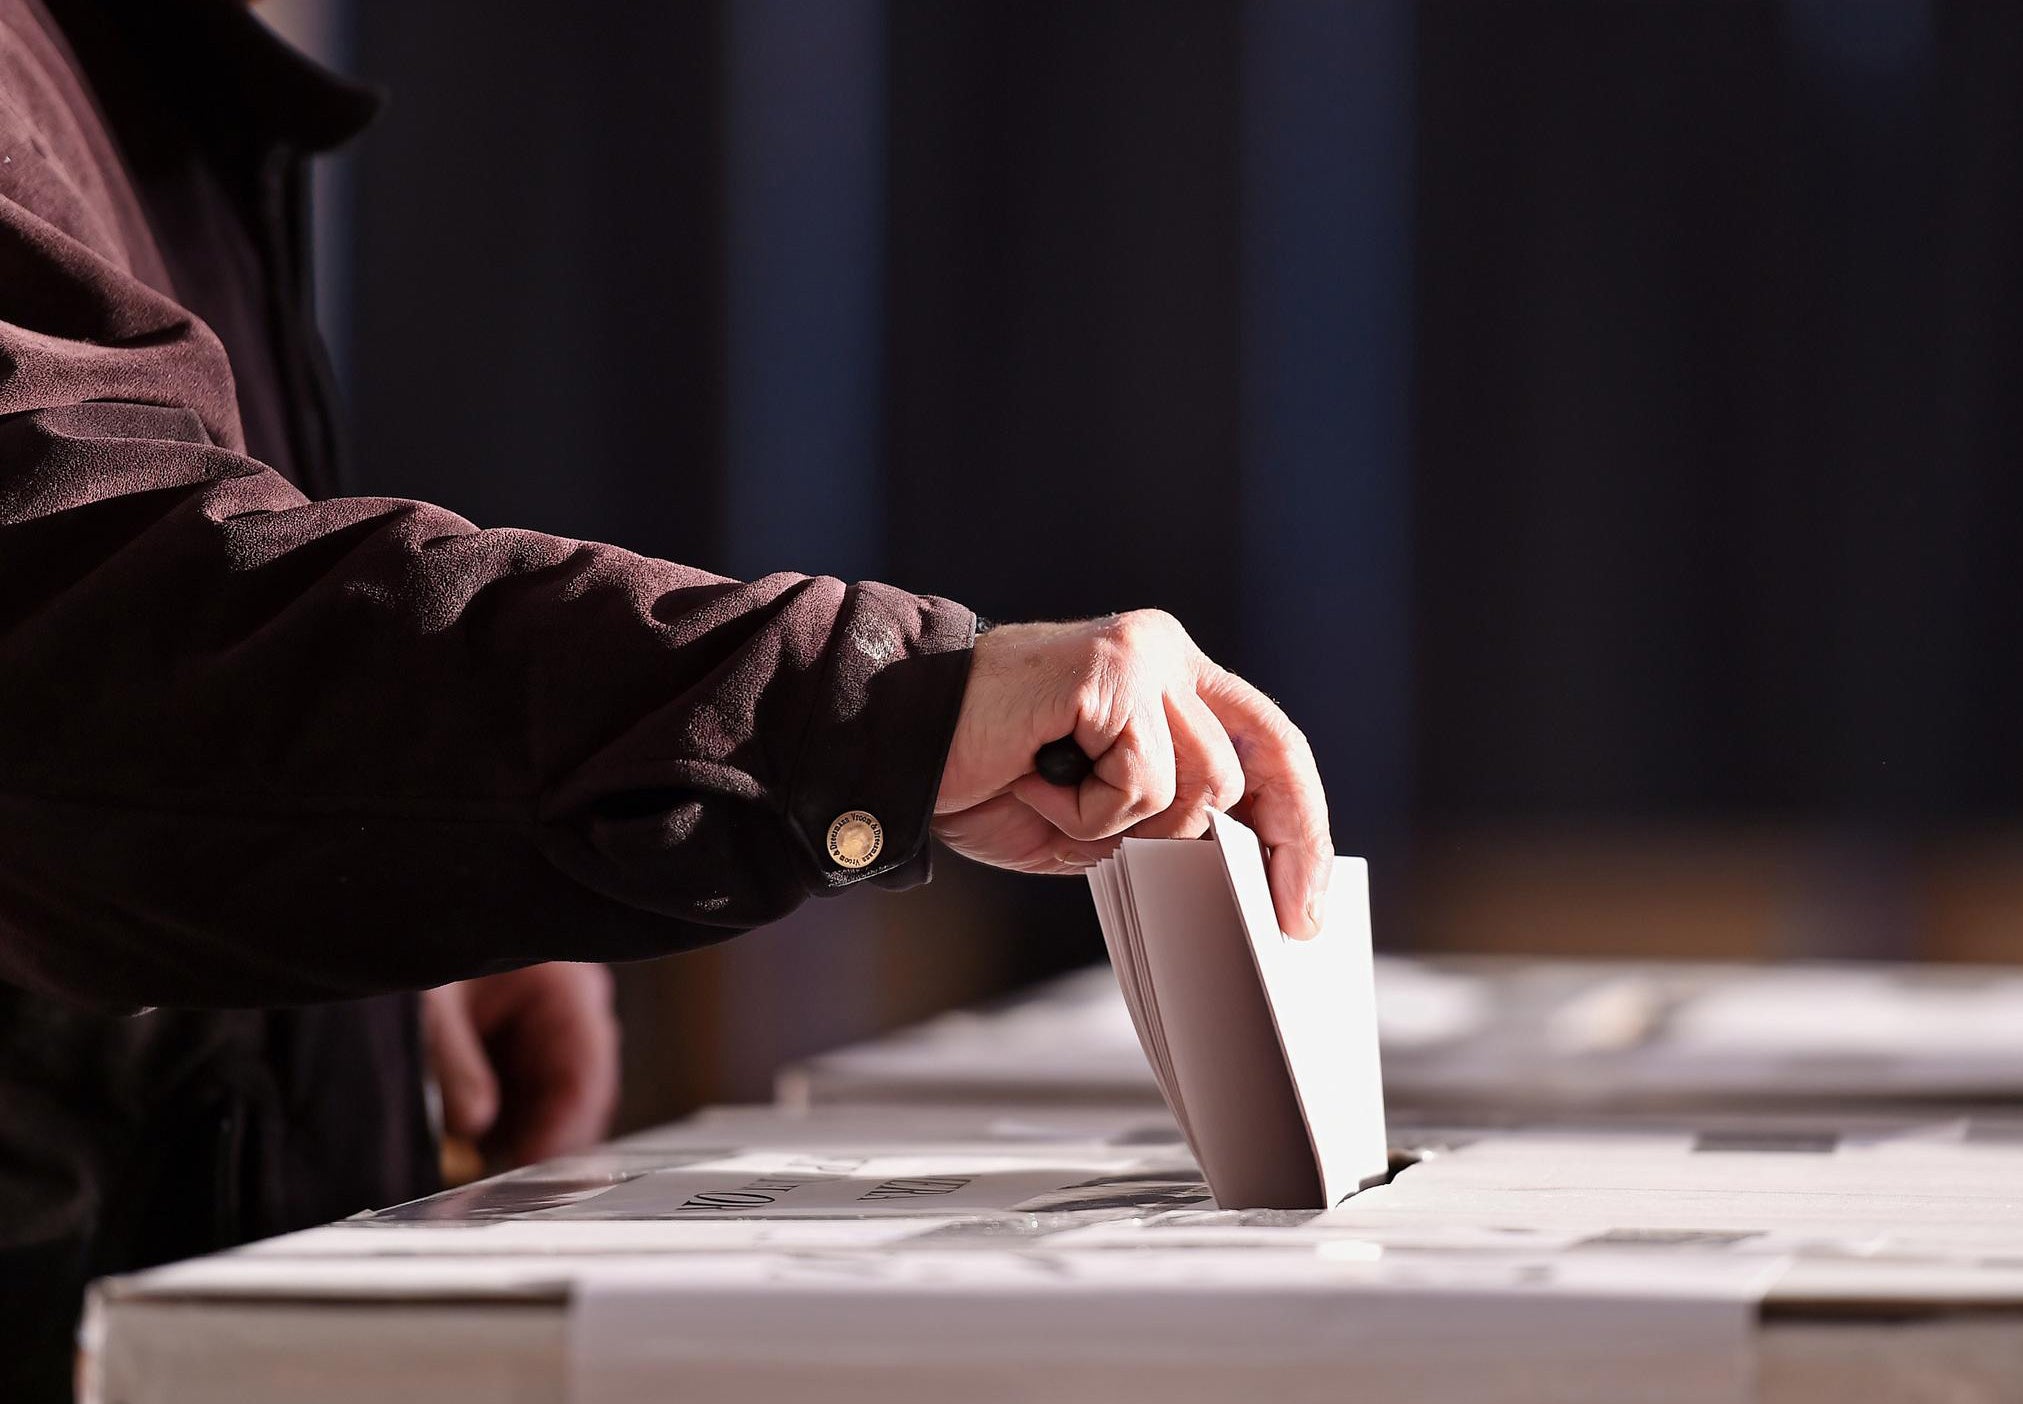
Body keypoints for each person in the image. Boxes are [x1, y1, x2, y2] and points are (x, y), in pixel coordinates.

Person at [0, 0, 1333, 1395]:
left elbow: (149, 768)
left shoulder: (128, 66)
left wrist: (381, 937)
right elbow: (87, 665)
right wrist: (873, 708)